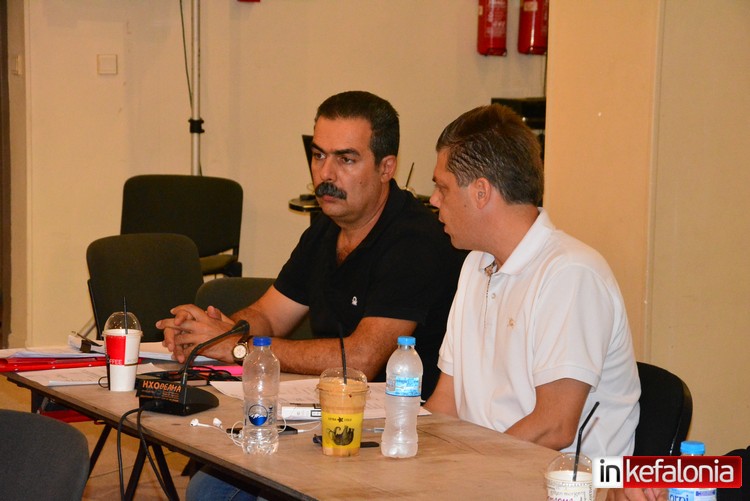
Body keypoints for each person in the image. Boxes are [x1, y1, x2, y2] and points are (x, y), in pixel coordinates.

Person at [158, 91, 464, 500]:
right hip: (325, 420)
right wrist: (212, 332)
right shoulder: (325, 228)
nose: (325, 173)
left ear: (386, 167)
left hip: (397, 436)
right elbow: (270, 314)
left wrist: (239, 348)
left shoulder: (415, 241)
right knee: (210, 488)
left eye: (346, 159)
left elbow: (361, 358)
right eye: (318, 155)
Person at [423, 103, 640, 460]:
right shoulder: (476, 264)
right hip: (490, 470)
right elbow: (447, 404)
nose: (433, 200)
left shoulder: (570, 273)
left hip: (567, 482)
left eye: (442, 188)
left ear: (481, 192)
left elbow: (555, 425)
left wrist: (470, 469)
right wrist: (400, 448)